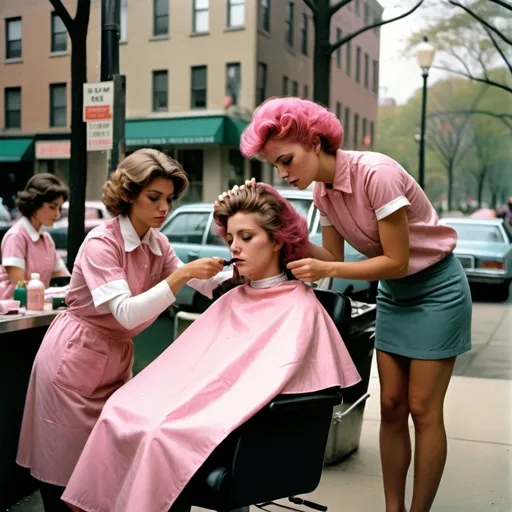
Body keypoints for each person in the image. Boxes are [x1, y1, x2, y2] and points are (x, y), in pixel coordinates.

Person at [60, 183, 361, 512]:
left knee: (159, 432)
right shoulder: (233, 298)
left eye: (247, 237)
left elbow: (271, 381)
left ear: (277, 240)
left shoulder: (301, 306)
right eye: (231, 239)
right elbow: (191, 364)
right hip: (205, 405)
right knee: (119, 410)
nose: (236, 247)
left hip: (246, 425)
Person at [238, 97, 472, 512]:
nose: (284, 172)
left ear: (314, 141)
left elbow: (397, 260)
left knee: (422, 408)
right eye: (276, 166)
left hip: (437, 289)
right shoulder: (323, 193)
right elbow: (332, 257)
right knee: (391, 406)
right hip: (394, 294)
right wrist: (276, 213)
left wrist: (333, 269)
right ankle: (393, 509)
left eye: (287, 160)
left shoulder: (375, 174)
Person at [16, 149, 231, 512]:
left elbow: (205, 285)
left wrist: (244, 270)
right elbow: (128, 314)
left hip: (113, 360)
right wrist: (181, 275)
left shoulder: (156, 242)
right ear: (129, 195)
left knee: (103, 473)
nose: (164, 206)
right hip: (74, 358)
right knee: (65, 479)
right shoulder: (102, 243)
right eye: (154, 197)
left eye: (168, 198)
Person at [0, 174, 70, 300]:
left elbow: (65, 277)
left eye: (59, 208)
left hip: (37, 310)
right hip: (12, 313)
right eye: (52, 207)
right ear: (34, 204)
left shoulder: (47, 239)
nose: (57, 214)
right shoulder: (16, 237)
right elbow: (19, 286)